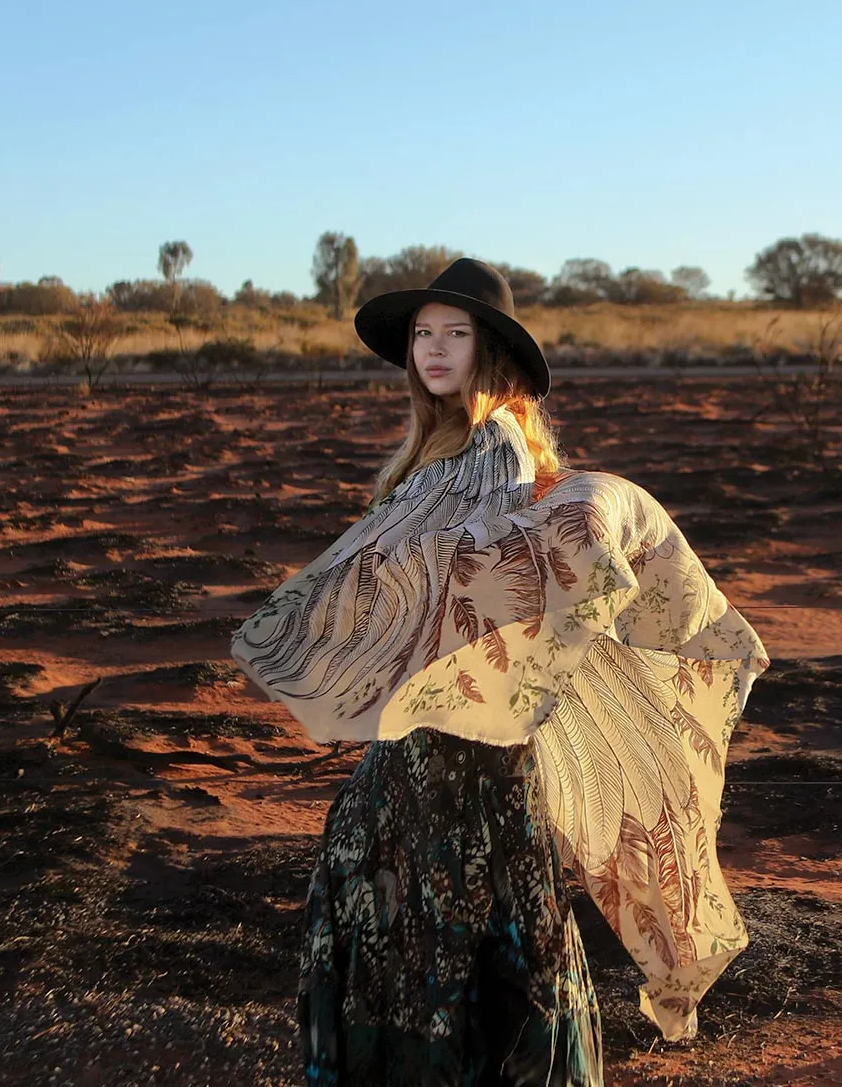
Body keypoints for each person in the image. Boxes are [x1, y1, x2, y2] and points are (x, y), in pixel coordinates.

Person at [230, 259, 769, 1086]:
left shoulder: (498, 452)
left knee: (475, 948)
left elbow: (500, 580)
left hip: (473, 763)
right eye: (422, 334)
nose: (434, 350)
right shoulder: (425, 461)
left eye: (456, 334)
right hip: (416, 751)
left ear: (492, 353)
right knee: (400, 930)